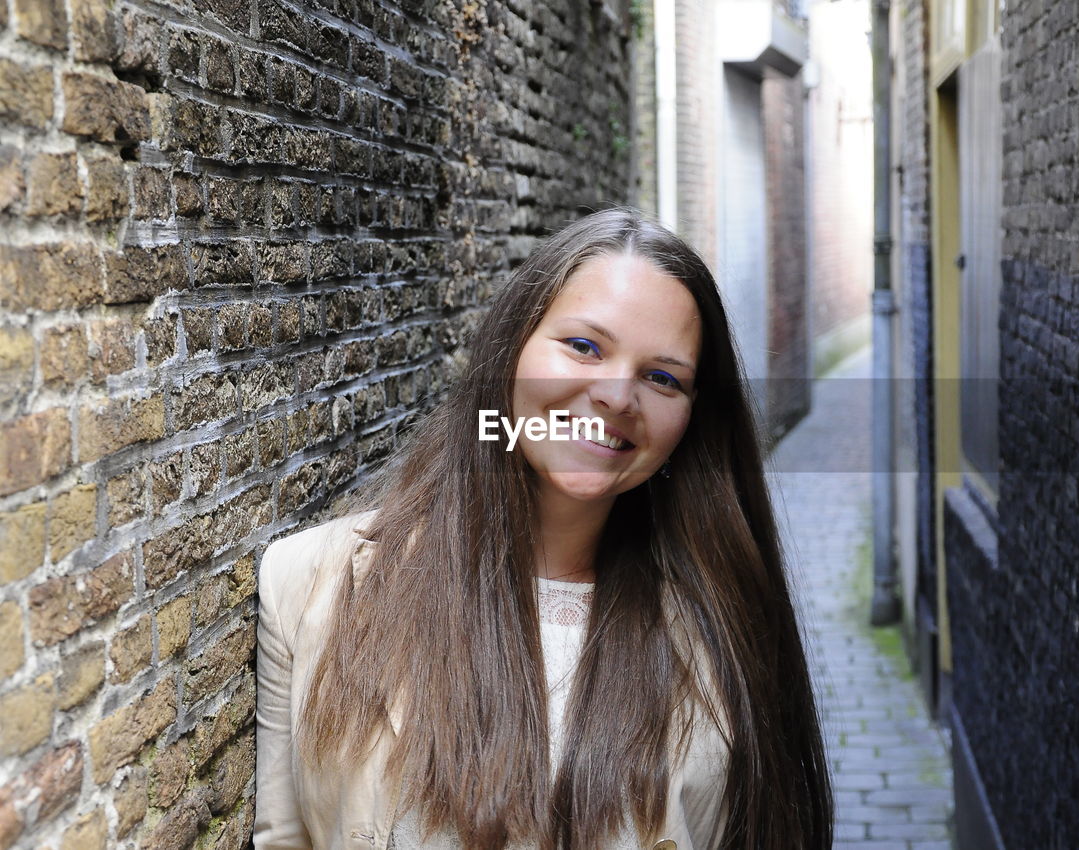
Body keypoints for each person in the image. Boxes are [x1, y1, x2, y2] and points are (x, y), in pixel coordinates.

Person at [254, 208, 833, 850]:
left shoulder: (725, 626)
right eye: (584, 346)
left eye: (663, 378)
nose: (617, 395)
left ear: (691, 423)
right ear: (512, 351)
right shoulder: (309, 585)